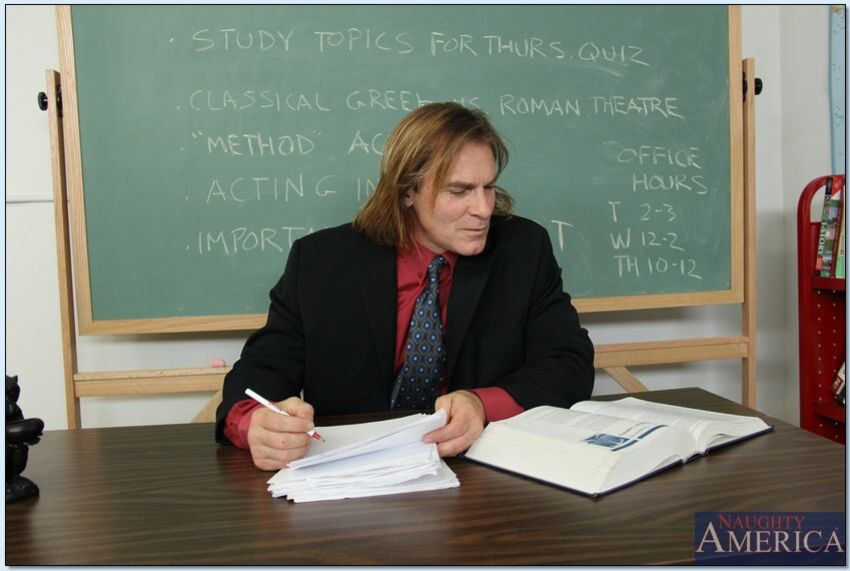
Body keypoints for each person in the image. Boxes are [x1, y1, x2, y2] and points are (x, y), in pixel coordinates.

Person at [215, 102, 594, 470]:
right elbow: (260, 370)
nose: (482, 209)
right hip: (352, 477)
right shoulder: (321, 262)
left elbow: (569, 364)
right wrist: (255, 424)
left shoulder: (523, 250)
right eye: (459, 191)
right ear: (407, 190)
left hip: (477, 474)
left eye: (489, 187)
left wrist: (481, 404)